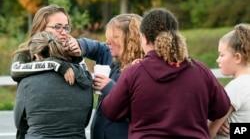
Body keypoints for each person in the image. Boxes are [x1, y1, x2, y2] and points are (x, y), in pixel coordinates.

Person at [100, 8, 231, 139]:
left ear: (144, 38)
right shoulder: (199, 70)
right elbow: (221, 108)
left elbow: (111, 111)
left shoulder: (134, 72)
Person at [14, 31, 93, 139]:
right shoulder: (83, 78)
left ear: (36, 56)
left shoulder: (26, 82)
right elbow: (86, 121)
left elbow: (20, 124)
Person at [77, 13, 144, 139]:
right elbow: (98, 47)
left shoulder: (143, 69)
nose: (108, 41)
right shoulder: (112, 57)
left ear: (131, 40)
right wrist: (79, 45)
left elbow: (140, 110)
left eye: (115, 37)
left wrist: (111, 89)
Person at [11, 4, 83, 84]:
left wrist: (78, 58)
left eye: (66, 27)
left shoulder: (71, 53)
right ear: (40, 29)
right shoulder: (26, 53)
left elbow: (85, 83)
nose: (64, 32)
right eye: (57, 27)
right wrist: (56, 64)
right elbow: (15, 70)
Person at [208, 23, 250, 139]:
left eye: (222, 55)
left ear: (237, 57)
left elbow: (208, 132)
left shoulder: (236, 87)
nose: (218, 60)